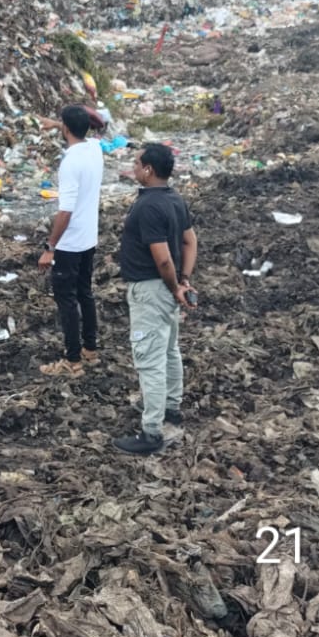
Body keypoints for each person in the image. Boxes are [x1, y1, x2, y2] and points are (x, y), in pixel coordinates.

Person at [114, 142, 196, 454]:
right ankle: (171, 408)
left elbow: (162, 259)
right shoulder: (175, 199)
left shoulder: (148, 207)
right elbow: (190, 242)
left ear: (149, 170)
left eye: (136, 163)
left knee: (149, 359)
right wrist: (184, 281)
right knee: (169, 351)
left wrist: (175, 284)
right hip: (168, 287)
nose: (133, 168)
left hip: (151, 289)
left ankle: (151, 432)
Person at [38, 105, 103, 377]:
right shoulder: (95, 150)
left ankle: (72, 361)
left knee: (66, 301)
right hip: (89, 239)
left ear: (66, 128)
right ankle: (90, 350)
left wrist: (50, 248)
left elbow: (65, 211)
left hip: (69, 243)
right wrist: (58, 124)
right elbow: (91, 127)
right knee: (85, 294)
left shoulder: (70, 163)